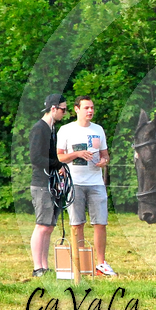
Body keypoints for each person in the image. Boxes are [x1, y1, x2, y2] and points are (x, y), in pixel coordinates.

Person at [56, 95, 117, 277]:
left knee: (100, 223)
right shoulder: (66, 130)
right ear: (76, 109)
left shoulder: (98, 130)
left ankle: (101, 264)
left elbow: (106, 155)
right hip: (75, 183)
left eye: (92, 108)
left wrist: (103, 162)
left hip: (96, 183)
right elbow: (59, 157)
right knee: (77, 223)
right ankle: (81, 263)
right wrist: (76, 154)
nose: (90, 111)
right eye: (86, 108)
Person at [28, 94, 67, 277]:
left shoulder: (50, 129)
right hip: (41, 183)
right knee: (42, 225)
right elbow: (36, 158)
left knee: (49, 226)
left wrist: (59, 168)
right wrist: (57, 165)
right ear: (53, 108)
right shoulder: (40, 129)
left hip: (50, 182)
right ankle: (38, 267)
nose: (64, 114)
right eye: (63, 110)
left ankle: (44, 265)